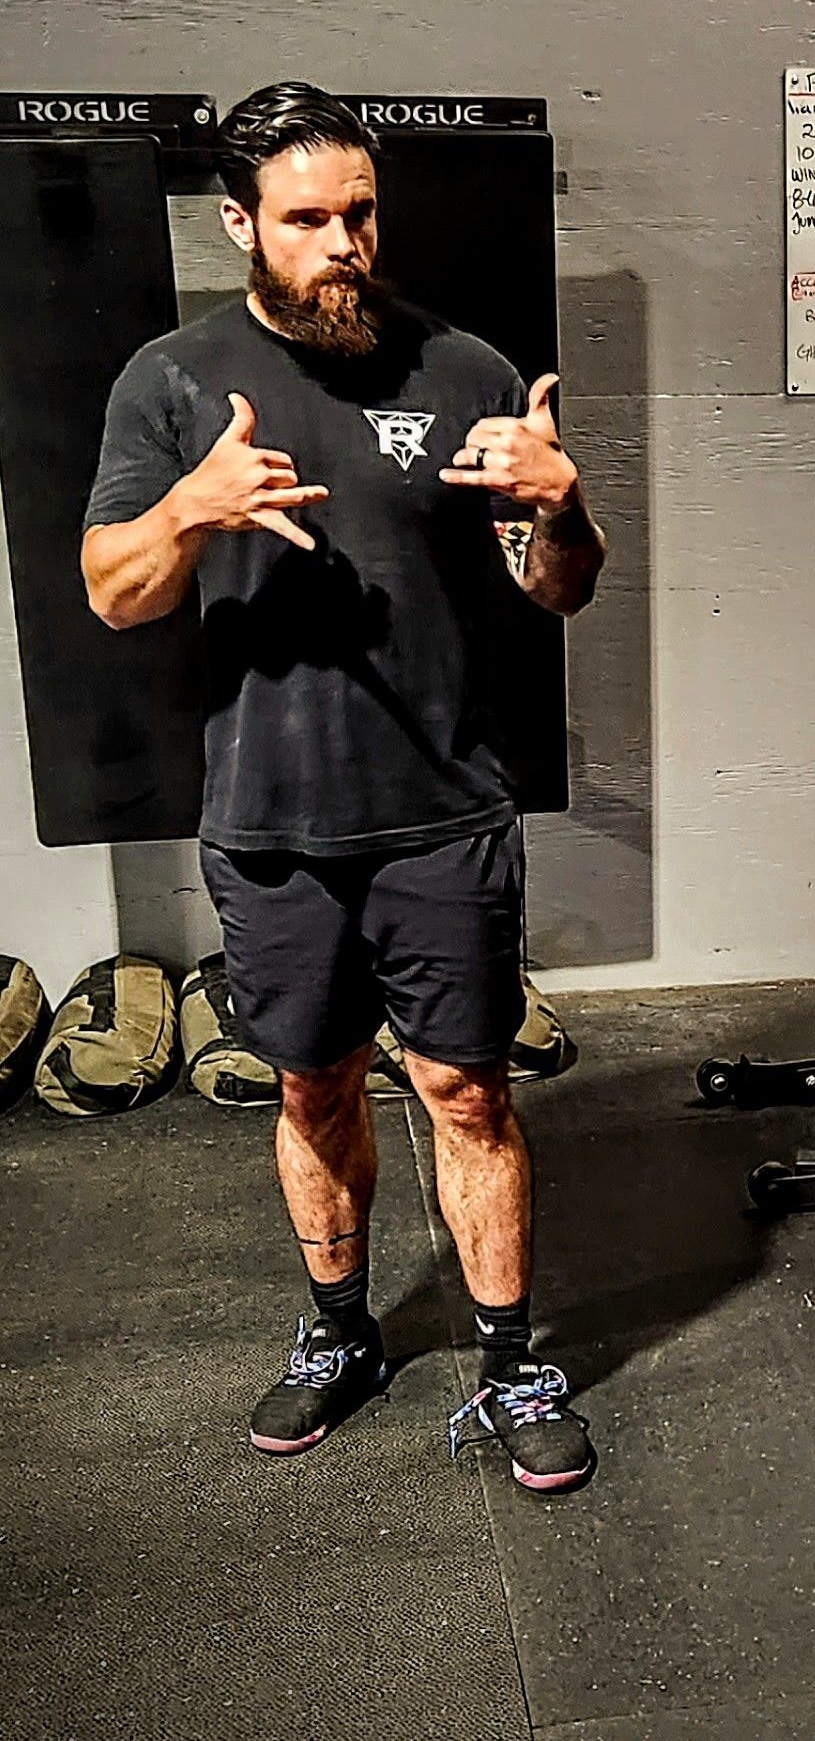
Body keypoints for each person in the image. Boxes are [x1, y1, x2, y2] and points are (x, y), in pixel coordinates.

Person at [81, 81, 607, 1492]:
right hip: (270, 817)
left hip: (443, 806)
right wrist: (191, 506)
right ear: (241, 225)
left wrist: (560, 503)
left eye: (359, 214)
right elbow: (114, 592)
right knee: (313, 1084)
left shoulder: (465, 370)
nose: (342, 244)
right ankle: (338, 1331)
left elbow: (558, 589)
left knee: (467, 1090)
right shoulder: (174, 382)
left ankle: (511, 1360)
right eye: (307, 219)